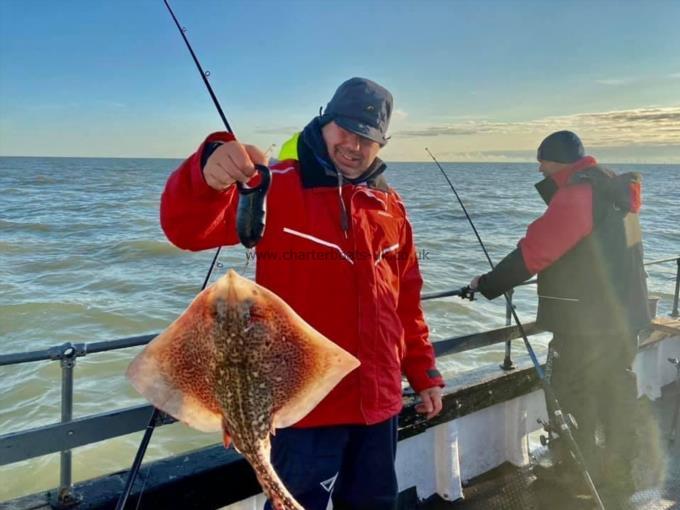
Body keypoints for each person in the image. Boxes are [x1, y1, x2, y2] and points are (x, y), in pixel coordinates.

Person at [160, 77, 444, 510]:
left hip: (380, 401)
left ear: (382, 144)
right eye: (345, 130)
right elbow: (187, 229)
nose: (354, 145)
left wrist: (422, 373)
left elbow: (405, 300)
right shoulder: (275, 187)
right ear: (324, 122)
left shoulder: (391, 207)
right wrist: (207, 172)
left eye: (367, 137)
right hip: (304, 407)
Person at [469, 130, 650, 500]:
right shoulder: (615, 192)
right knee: (615, 394)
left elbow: (536, 251)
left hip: (585, 324)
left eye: (543, 161)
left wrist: (487, 283)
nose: (539, 168)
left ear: (558, 162)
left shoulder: (578, 194)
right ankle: (617, 477)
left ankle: (577, 477)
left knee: (573, 395)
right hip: (623, 317)